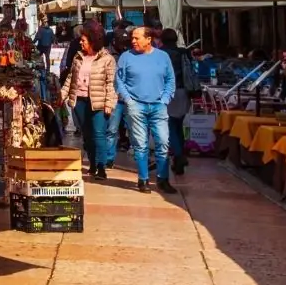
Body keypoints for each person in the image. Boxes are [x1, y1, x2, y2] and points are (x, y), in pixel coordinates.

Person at [116, 25, 178, 194]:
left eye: (137, 38)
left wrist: (165, 99)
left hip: (158, 105)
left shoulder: (163, 56)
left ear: (149, 39)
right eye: (132, 38)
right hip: (136, 105)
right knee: (140, 145)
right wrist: (128, 100)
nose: (133, 41)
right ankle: (143, 179)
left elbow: (170, 80)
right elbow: (119, 81)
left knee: (163, 142)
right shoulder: (126, 57)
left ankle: (162, 179)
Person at [61, 22, 118, 182]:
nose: (80, 42)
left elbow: (110, 83)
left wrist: (109, 103)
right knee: (87, 135)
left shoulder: (107, 59)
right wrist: (62, 95)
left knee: (99, 133)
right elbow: (70, 80)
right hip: (79, 100)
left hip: (98, 101)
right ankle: (92, 162)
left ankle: (101, 166)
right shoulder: (78, 57)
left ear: (93, 41)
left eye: (84, 40)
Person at [159, 28, 199, 174]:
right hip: (184, 91)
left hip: (167, 92)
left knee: (170, 125)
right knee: (178, 124)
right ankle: (178, 160)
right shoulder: (184, 52)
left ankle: (178, 155)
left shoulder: (160, 53)